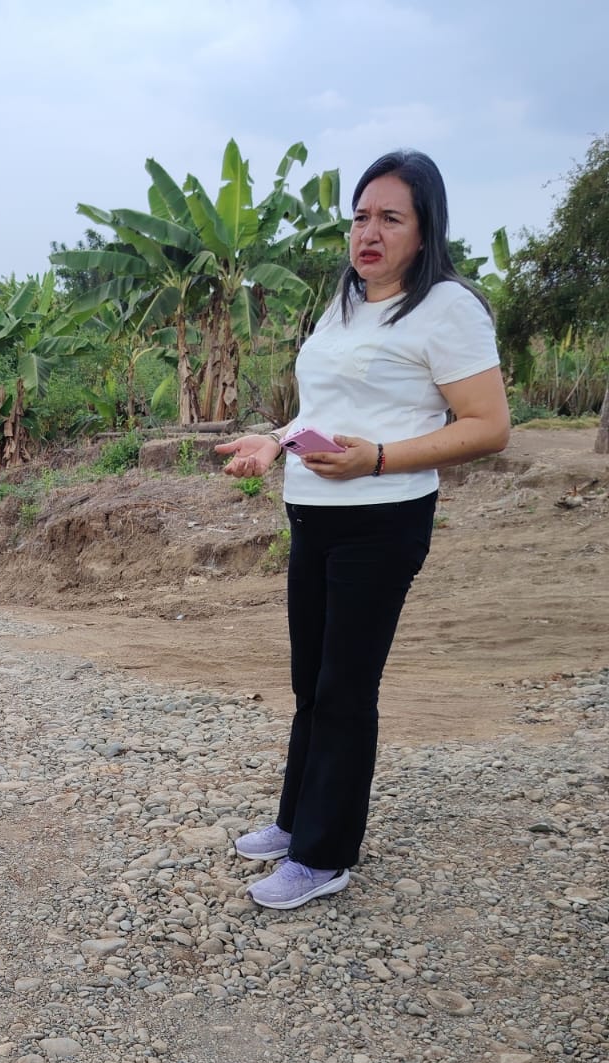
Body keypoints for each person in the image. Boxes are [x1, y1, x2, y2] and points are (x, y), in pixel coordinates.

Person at [215, 150, 509, 909]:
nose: (368, 233)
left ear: (425, 229)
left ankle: (324, 856)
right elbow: (320, 410)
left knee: (346, 687)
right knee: (311, 681)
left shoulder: (448, 308)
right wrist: (274, 440)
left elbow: (488, 425)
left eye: (390, 218)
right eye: (360, 217)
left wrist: (377, 458)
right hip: (312, 512)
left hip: (383, 520)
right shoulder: (346, 300)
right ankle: (296, 821)